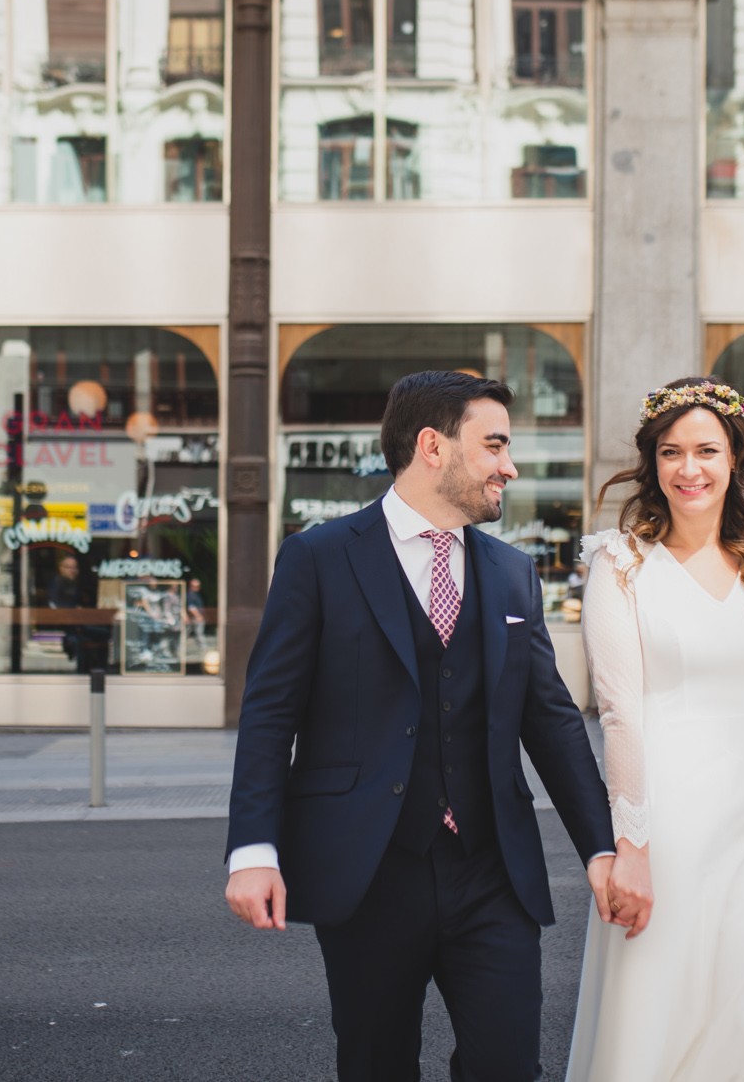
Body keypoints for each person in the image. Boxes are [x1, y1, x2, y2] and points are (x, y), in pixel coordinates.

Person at [225, 371, 618, 1082]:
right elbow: (269, 709)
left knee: (506, 1067)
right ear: (432, 445)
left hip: (492, 871)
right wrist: (253, 847)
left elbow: (551, 718)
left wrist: (602, 847)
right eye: (494, 443)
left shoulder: (510, 573)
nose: (510, 465)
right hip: (368, 871)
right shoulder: (319, 556)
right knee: (376, 1065)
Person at [564, 378, 744, 1079]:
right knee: (652, 1019)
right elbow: (619, 712)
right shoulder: (620, 563)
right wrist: (629, 843)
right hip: (665, 826)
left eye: (705, 450)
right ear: (653, 463)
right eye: (671, 451)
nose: (688, 468)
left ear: (734, 459)